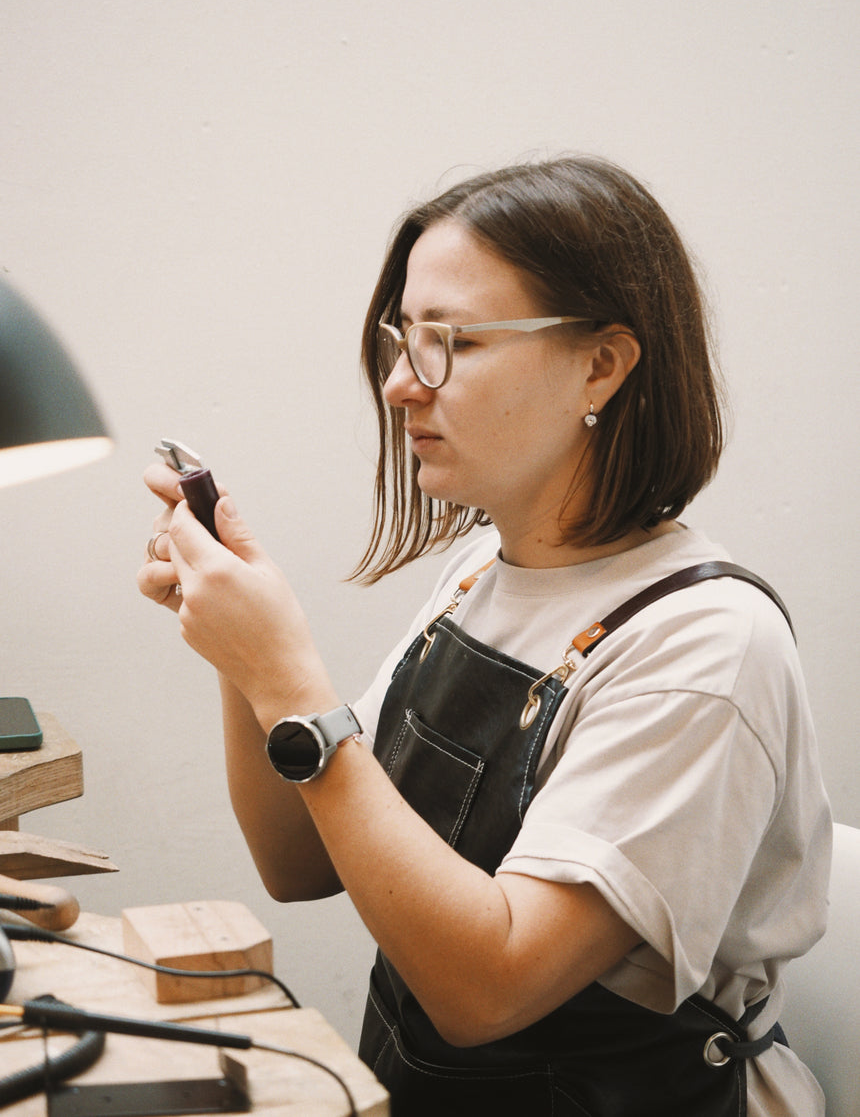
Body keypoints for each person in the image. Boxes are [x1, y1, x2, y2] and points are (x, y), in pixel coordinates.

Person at [138, 156, 832, 1116]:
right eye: (403, 339)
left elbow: (486, 989)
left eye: (451, 343)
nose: (398, 386)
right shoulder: (480, 576)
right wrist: (242, 658)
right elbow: (299, 861)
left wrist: (286, 672)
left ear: (601, 363)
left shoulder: (705, 647)